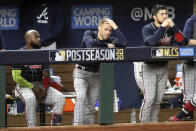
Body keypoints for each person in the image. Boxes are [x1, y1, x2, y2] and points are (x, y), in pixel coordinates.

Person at [73, 18, 127, 125]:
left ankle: (89, 128)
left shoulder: (111, 40)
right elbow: (91, 45)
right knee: (81, 98)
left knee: (90, 107)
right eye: (105, 29)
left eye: (110, 30)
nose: (108, 32)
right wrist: (107, 46)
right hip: (81, 73)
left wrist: (114, 25)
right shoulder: (89, 33)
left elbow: (124, 43)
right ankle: (76, 126)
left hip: (96, 75)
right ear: (99, 28)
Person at [140, 4, 187, 123]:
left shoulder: (170, 28)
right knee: (149, 100)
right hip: (149, 67)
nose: (165, 16)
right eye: (162, 14)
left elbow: (183, 42)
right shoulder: (147, 28)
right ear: (154, 16)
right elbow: (151, 43)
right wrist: (163, 27)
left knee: (157, 101)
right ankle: (143, 126)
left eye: (166, 14)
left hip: (163, 67)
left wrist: (174, 27)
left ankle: (153, 125)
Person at [11, 30, 65, 127]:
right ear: (28, 39)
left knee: (60, 98)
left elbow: (47, 74)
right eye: (36, 37)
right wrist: (32, 87)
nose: (39, 39)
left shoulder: (42, 53)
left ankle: (55, 127)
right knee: (31, 99)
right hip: (24, 87)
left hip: (40, 86)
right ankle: (32, 128)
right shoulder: (19, 54)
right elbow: (16, 77)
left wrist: (44, 87)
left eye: (39, 36)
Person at [169, 14, 196, 121]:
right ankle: (185, 117)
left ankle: (181, 115)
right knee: (189, 93)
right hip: (190, 61)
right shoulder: (191, 21)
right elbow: (185, 40)